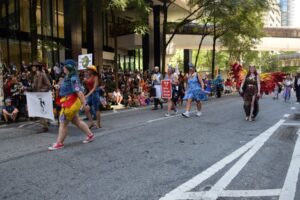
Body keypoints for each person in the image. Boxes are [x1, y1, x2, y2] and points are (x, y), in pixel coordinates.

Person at [48, 59, 95, 150]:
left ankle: (59, 143)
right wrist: (59, 87)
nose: (63, 68)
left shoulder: (73, 78)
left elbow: (79, 92)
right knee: (76, 121)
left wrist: (85, 103)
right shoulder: (68, 77)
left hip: (70, 103)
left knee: (63, 123)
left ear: (68, 67)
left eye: (64, 66)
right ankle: (90, 135)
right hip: (69, 102)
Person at [31, 62, 52, 133]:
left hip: (42, 95)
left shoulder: (43, 75)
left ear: (37, 67)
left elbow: (49, 85)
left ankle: (44, 126)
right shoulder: (35, 76)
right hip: (37, 95)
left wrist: (41, 91)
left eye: (33, 66)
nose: (32, 67)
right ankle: (45, 123)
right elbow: (34, 86)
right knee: (40, 110)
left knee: (41, 110)